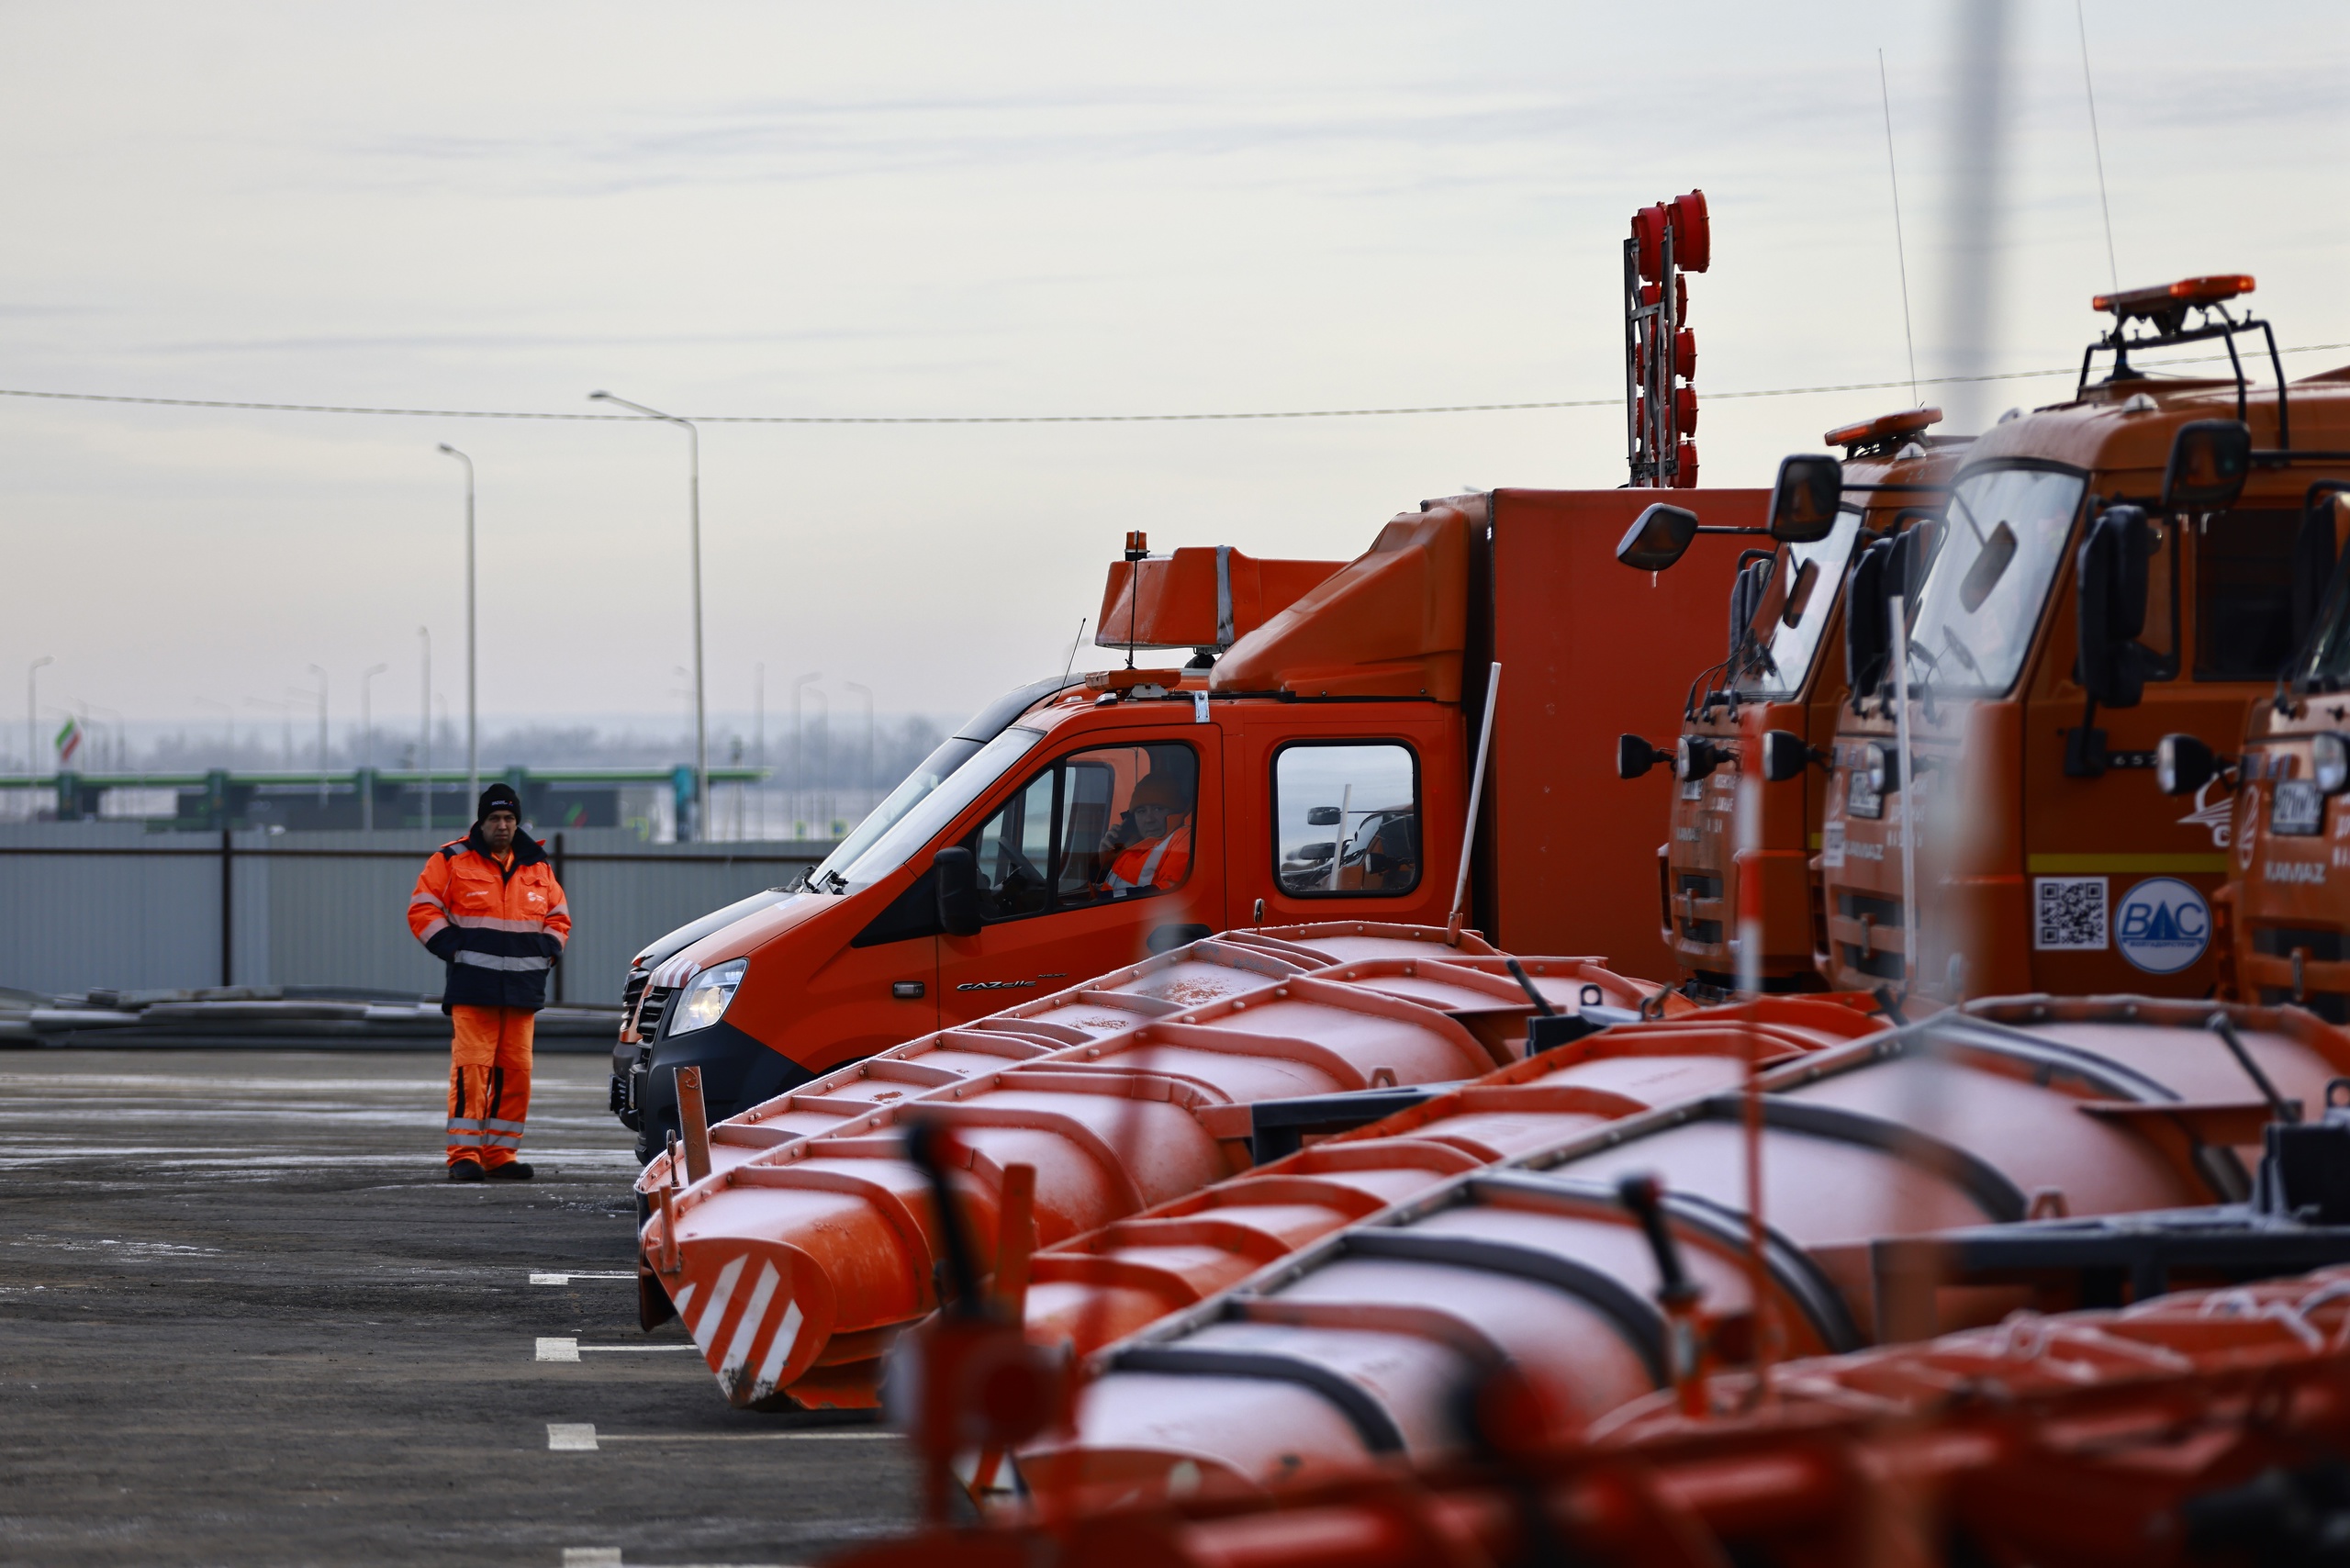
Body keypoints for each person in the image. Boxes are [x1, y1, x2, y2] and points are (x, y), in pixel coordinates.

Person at [408, 783, 571, 1182]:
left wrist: (546, 952)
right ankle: (464, 1154)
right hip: (473, 987)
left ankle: (500, 1154)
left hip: (522, 989)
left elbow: (559, 917)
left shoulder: (538, 867)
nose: (502, 825)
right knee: (472, 1071)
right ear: (481, 822)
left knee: (516, 1074)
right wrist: (455, 950)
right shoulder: (451, 860)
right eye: (495, 818)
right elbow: (422, 909)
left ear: (518, 822)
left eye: (509, 818)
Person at [1097, 770, 1192, 894]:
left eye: (1158, 809)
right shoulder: (1134, 845)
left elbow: (1171, 891)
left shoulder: (1184, 838)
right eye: (1141, 811)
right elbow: (1110, 888)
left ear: (1175, 811)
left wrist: (1104, 899)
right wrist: (1105, 864)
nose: (1149, 819)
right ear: (1132, 818)